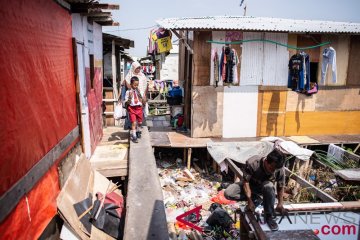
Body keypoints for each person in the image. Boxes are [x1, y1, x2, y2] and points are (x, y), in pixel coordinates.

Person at [224, 148, 286, 231]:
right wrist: (249, 200)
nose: (273, 171)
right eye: (271, 168)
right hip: (250, 186)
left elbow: (280, 186)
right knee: (228, 193)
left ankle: (269, 216)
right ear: (266, 161)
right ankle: (255, 198)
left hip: (265, 189)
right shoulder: (253, 163)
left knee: (268, 186)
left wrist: (280, 204)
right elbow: (246, 182)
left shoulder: (279, 169)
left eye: (275, 169)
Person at [121, 61, 149, 131]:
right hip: (132, 96)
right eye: (137, 68)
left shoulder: (142, 76)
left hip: (141, 95)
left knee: (141, 111)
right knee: (132, 112)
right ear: (133, 68)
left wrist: (145, 96)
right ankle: (132, 127)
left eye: (139, 68)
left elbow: (145, 86)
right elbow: (127, 85)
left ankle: (140, 126)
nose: (138, 69)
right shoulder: (129, 75)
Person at [124, 76, 144, 143]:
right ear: (131, 84)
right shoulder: (128, 92)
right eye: (135, 85)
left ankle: (138, 131)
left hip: (139, 108)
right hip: (132, 108)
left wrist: (142, 99)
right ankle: (134, 135)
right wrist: (130, 98)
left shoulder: (138, 90)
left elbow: (141, 99)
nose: (136, 86)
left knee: (140, 122)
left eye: (137, 85)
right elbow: (126, 102)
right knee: (133, 122)